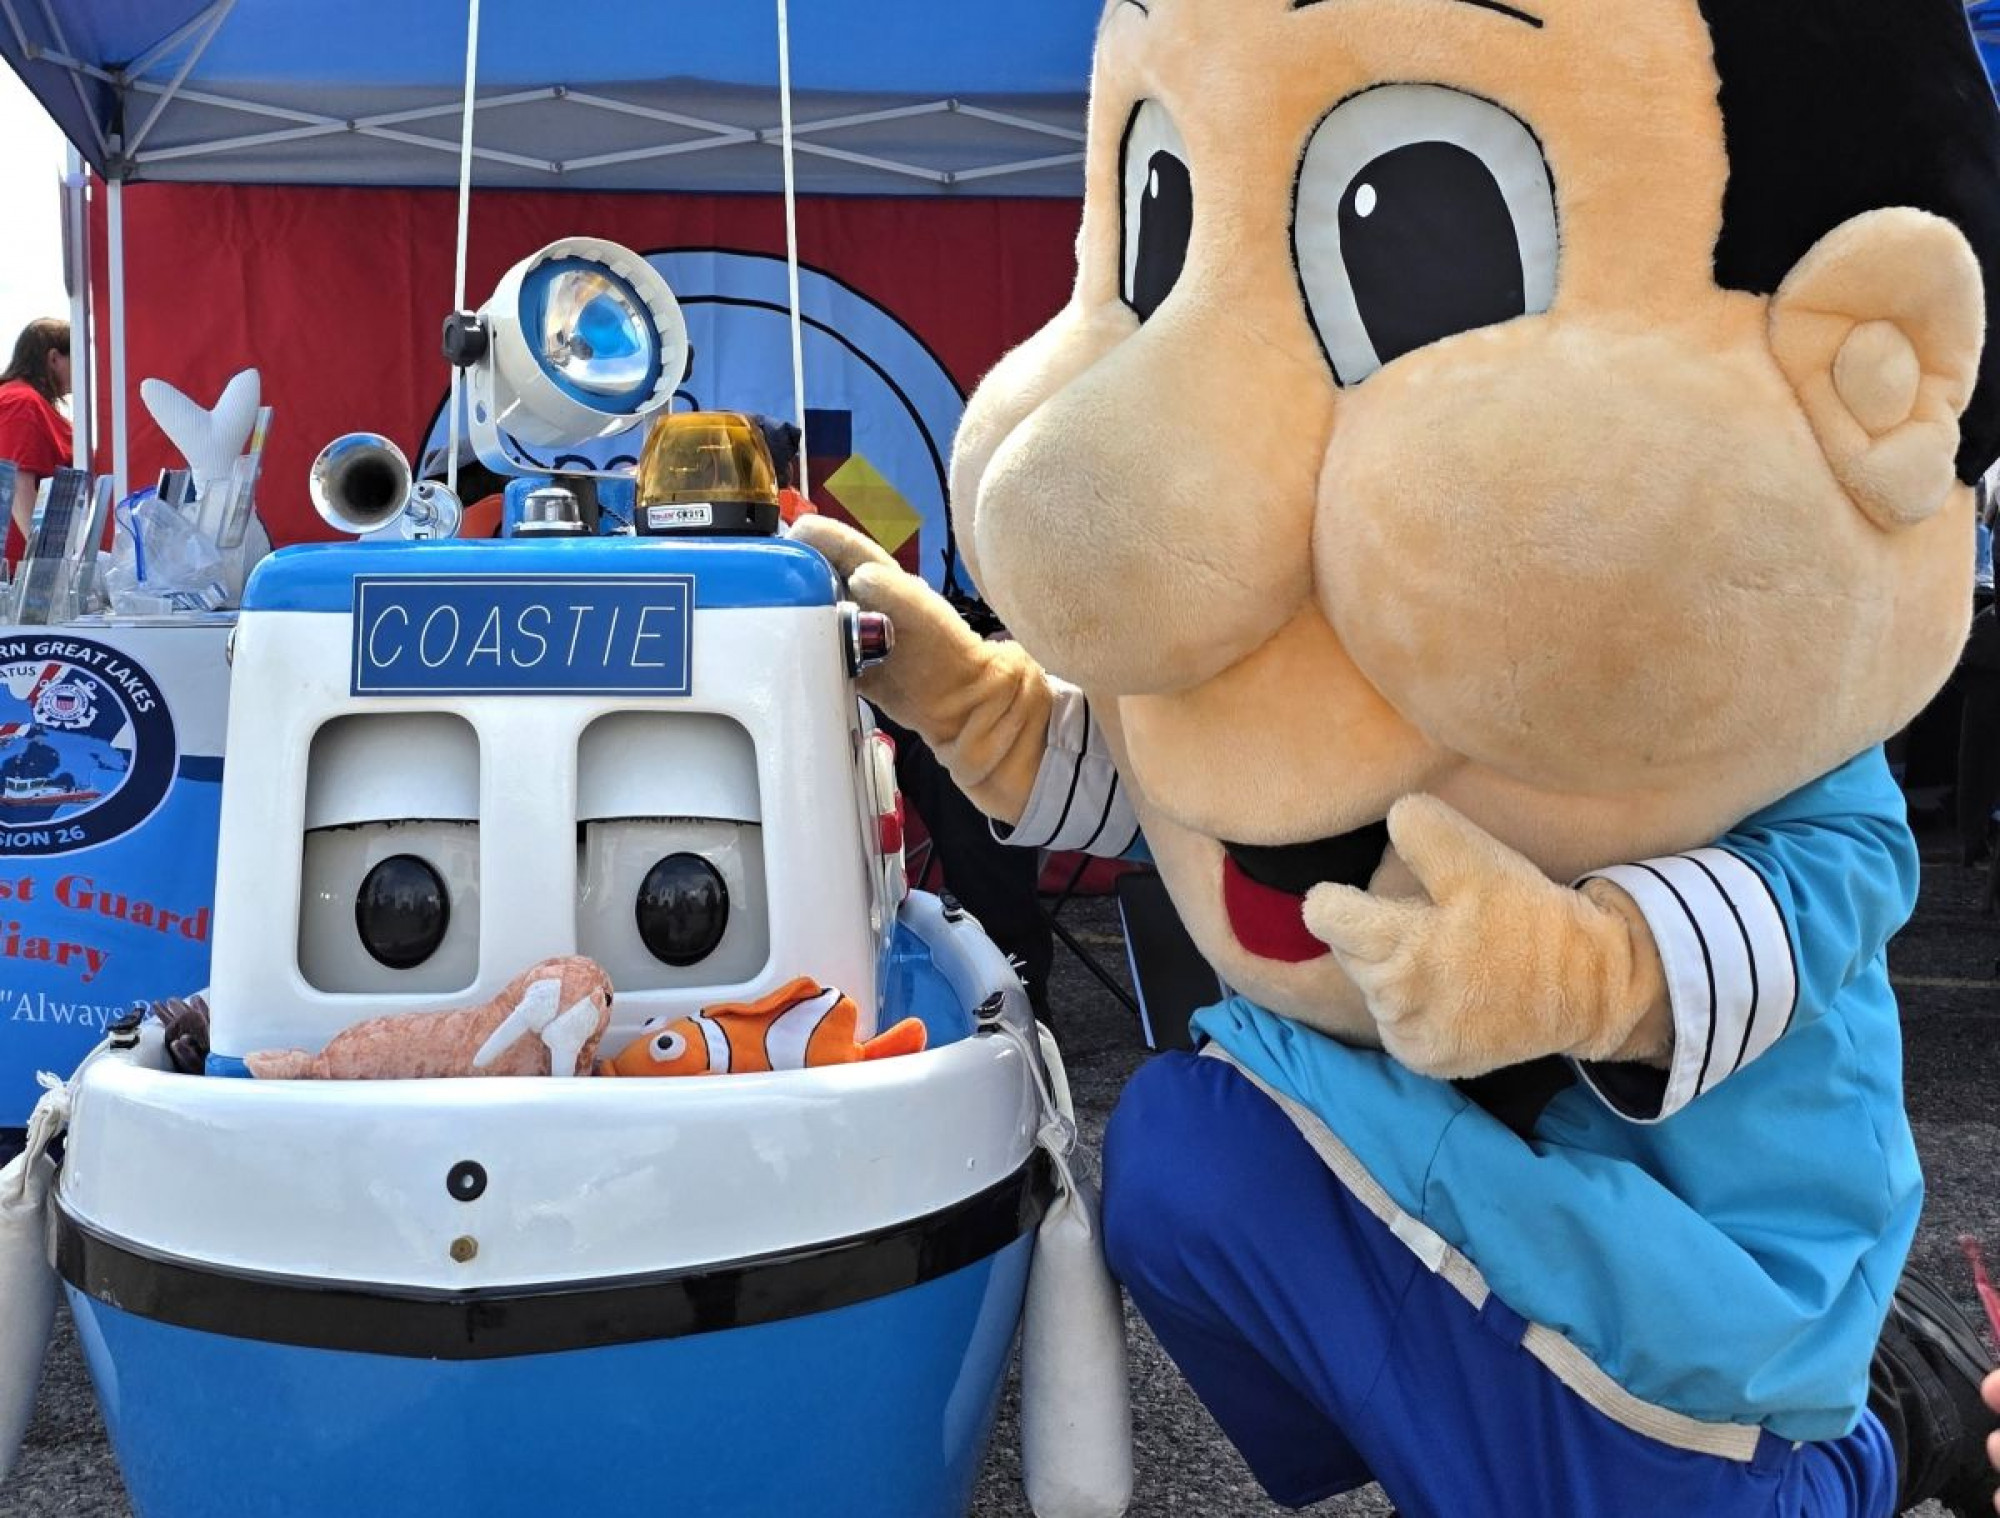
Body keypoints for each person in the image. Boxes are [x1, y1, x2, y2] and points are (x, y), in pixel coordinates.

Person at [0, 318, 72, 570]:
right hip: (15, 578)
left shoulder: (29, 403)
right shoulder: (21, 403)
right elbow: (17, 487)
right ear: (54, 359)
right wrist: (45, 568)